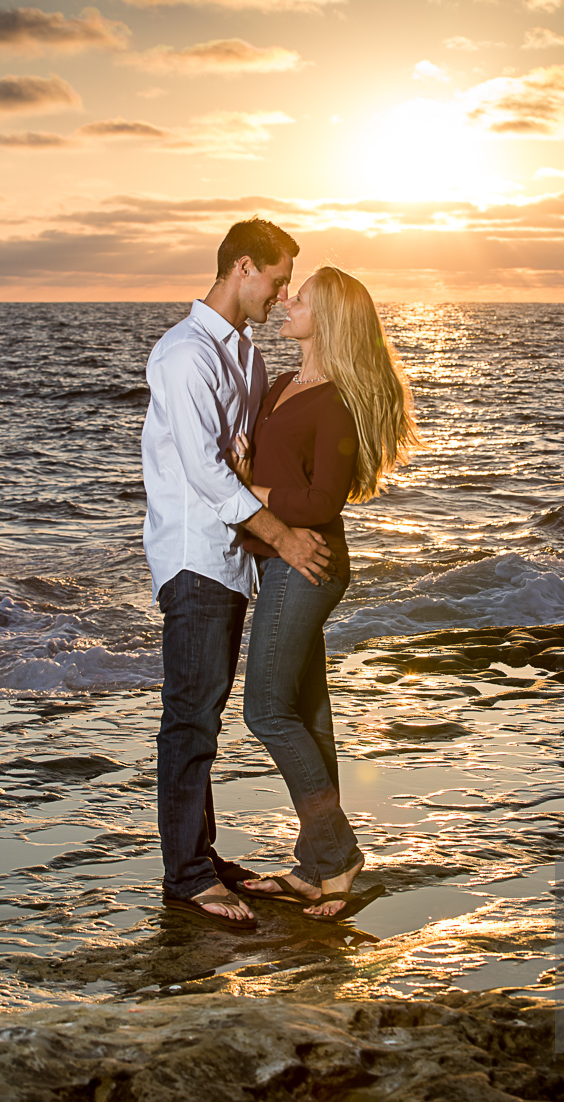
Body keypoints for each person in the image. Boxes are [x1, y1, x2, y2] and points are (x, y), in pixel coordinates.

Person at [141, 218, 333, 931]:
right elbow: (205, 470)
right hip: (194, 557)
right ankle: (186, 875)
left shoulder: (245, 357)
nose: (281, 295)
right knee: (189, 718)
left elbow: (246, 461)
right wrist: (281, 535)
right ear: (243, 267)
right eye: (278, 279)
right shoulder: (186, 354)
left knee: (207, 716)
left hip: (231, 561)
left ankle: (202, 856)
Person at [228, 265, 419, 921]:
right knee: (308, 718)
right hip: (279, 561)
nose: (287, 300)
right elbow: (263, 466)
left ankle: (336, 857)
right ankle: (315, 868)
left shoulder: (335, 398)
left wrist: (253, 493)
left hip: (309, 565)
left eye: (299, 296)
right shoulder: (282, 384)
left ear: (327, 318)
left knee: (265, 712)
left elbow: (322, 499)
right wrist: (242, 463)